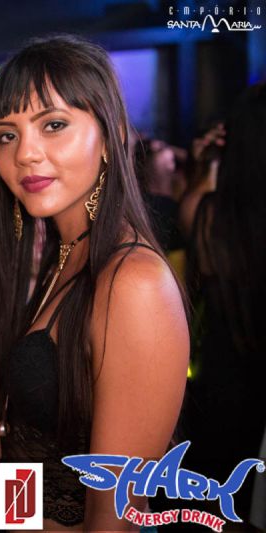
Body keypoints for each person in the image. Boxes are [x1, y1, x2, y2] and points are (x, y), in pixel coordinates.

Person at [0, 35, 188, 530]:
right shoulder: (67, 255)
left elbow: (114, 516)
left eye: (53, 125)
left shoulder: (133, 283)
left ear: (111, 136)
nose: (26, 153)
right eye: (7, 135)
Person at [181, 83, 266, 524]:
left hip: (224, 387)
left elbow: (192, 212)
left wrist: (207, 164)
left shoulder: (212, 214)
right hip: (245, 385)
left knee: (218, 510)